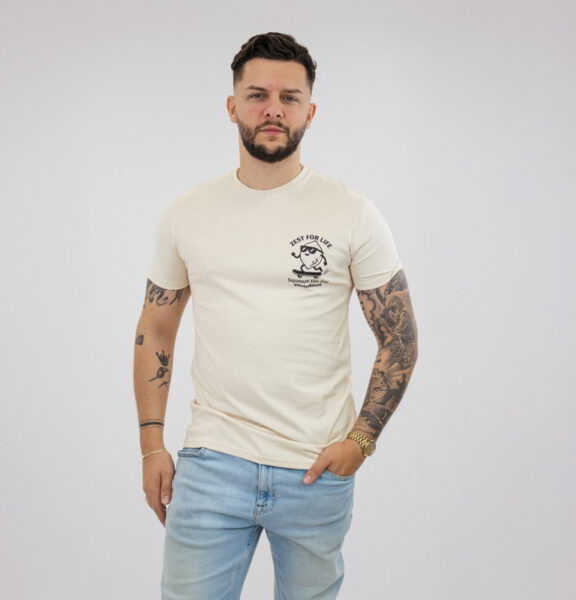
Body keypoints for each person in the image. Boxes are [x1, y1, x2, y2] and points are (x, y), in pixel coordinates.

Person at [133, 31, 419, 600]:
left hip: (316, 472)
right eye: (257, 94)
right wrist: (151, 445)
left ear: (309, 112)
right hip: (212, 465)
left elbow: (399, 338)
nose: (273, 109)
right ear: (232, 105)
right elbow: (155, 329)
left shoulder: (351, 213)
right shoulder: (187, 214)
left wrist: (360, 442)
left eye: (289, 98)